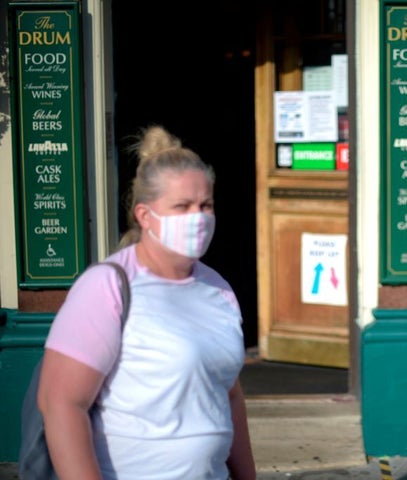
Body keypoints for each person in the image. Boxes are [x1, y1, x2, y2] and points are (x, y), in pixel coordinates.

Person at [37, 125, 257, 479]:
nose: (198, 217)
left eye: (206, 205)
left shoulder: (218, 290)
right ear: (144, 215)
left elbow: (229, 396)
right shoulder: (108, 286)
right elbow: (61, 403)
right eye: (182, 206)